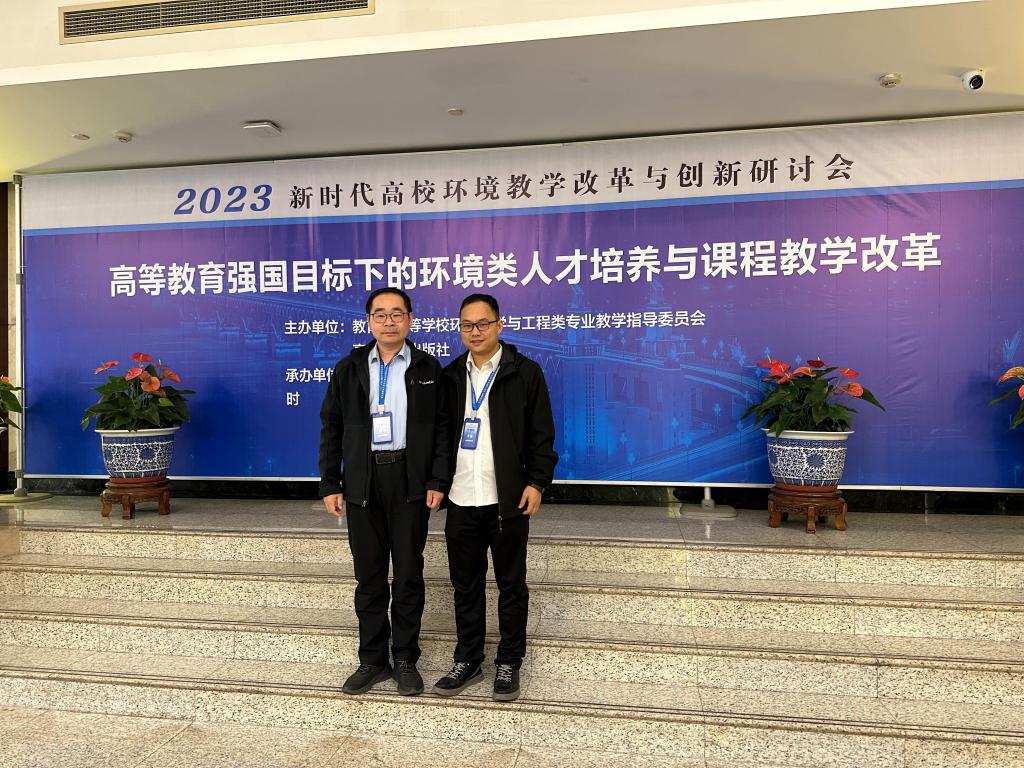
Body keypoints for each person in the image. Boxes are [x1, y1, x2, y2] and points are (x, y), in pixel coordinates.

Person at [318, 287, 448, 697]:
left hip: (410, 480)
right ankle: (373, 660)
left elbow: (443, 428)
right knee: (369, 575)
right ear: (369, 321)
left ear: (410, 319)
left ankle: (405, 657)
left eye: (397, 313)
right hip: (363, 481)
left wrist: (437, 480)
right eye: (380, 314)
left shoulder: (428, 368)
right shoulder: (350, 367)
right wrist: (330, 482)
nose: (389, 321)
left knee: (408, 573)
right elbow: (331, 427)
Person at [433, 293, 558, 702]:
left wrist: (537, 482)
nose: (475, 331)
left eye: (483, 323)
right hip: (461, 496)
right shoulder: (451, 375)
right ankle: (468, 658)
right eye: (467, 325)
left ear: (499, 325)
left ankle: (509, 660)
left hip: (508, 499)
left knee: (511, 585)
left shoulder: (525, 372)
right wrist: (438, 482)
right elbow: (441, 436)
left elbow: (542, 433)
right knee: (465, 585)